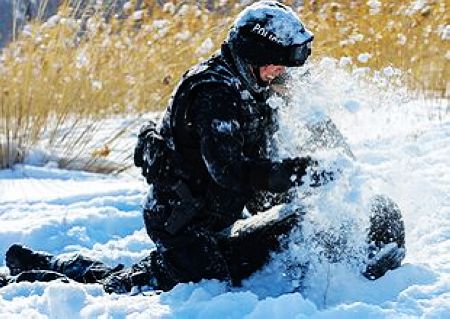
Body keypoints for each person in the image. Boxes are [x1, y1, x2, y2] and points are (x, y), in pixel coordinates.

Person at [1, 1, 405, 294]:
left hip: (220, 211)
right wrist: (304, 171)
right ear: (253, 56)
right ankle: (41, 272)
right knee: (144, 285)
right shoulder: (214, 93)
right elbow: (229, 171)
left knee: (266, 243)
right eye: (277, 65)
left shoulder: (257, 83)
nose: (283, 74)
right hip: (183, 225)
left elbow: (308, 136)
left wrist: (335, 173)